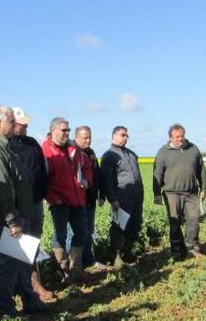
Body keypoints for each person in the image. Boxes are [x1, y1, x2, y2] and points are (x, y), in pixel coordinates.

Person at [0, 105, 47, 317]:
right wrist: (11, 220)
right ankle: (5, 309)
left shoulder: (6, 147)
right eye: (11, 121)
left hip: (21, 215)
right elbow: (0, 190)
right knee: (8, 266)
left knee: (23, 263)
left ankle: (30, 300)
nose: (14, 125)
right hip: (12, 220)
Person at [7, 107, 53, 300]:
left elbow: (42, 170)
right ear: (12, 124)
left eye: (26, 124)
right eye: (20, 124)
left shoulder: (32, 143)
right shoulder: (6, 146)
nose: (25, 126)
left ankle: (34, 283)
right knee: (19, 248)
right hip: (17, 206)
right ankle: (28, 288)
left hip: (35, 202)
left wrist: (43, 194)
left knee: (33, 243)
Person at [42, 117, 93, 284]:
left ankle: (76, 268)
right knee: (60, 235)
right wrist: (52, 198)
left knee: (81, 233)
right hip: (59, 201)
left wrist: (87, 180)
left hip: (77, 198)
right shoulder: (46, 151)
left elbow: (86, 166)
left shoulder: (73, 148)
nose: (67, 133)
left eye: (68, 130)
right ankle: (64, 271)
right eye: (63, 130)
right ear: (53, 130)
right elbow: (42, 179)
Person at [153, 124, 206, 260]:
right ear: (170, 137)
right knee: (175, 221)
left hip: (191, 192)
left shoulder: (193, 149)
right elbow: (157, 174)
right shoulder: (163, 152)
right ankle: (177, 250)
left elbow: (201, 170)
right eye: (177, 137)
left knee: (194, 220)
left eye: (182, 136)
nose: (180, 139)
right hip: (172, 193)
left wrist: (203, 188)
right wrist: (157, 193)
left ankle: (191, 246)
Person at [100, 126, 144, 267]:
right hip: (121, 197)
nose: (125, 137)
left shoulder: (131, 154)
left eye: (127, 135)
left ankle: (128, 252)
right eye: (122, 135)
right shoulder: (109, 156)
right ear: (113, 136)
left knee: (134, 224)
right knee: (119, 227)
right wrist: (113, 199)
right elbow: (107, 180)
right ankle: (117, 256)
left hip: (136, 196)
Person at [69, 125, 105, 269]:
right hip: (76, 201)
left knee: (89, 232)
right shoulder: (71, 153)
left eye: (89, 137)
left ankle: (88, 261)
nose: (88, 141)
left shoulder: (91, 153)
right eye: (84, 138)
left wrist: (100, 194)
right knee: (74, 234)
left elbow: (97, 175)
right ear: (76, 137)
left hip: (90, 200)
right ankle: (72, 266)